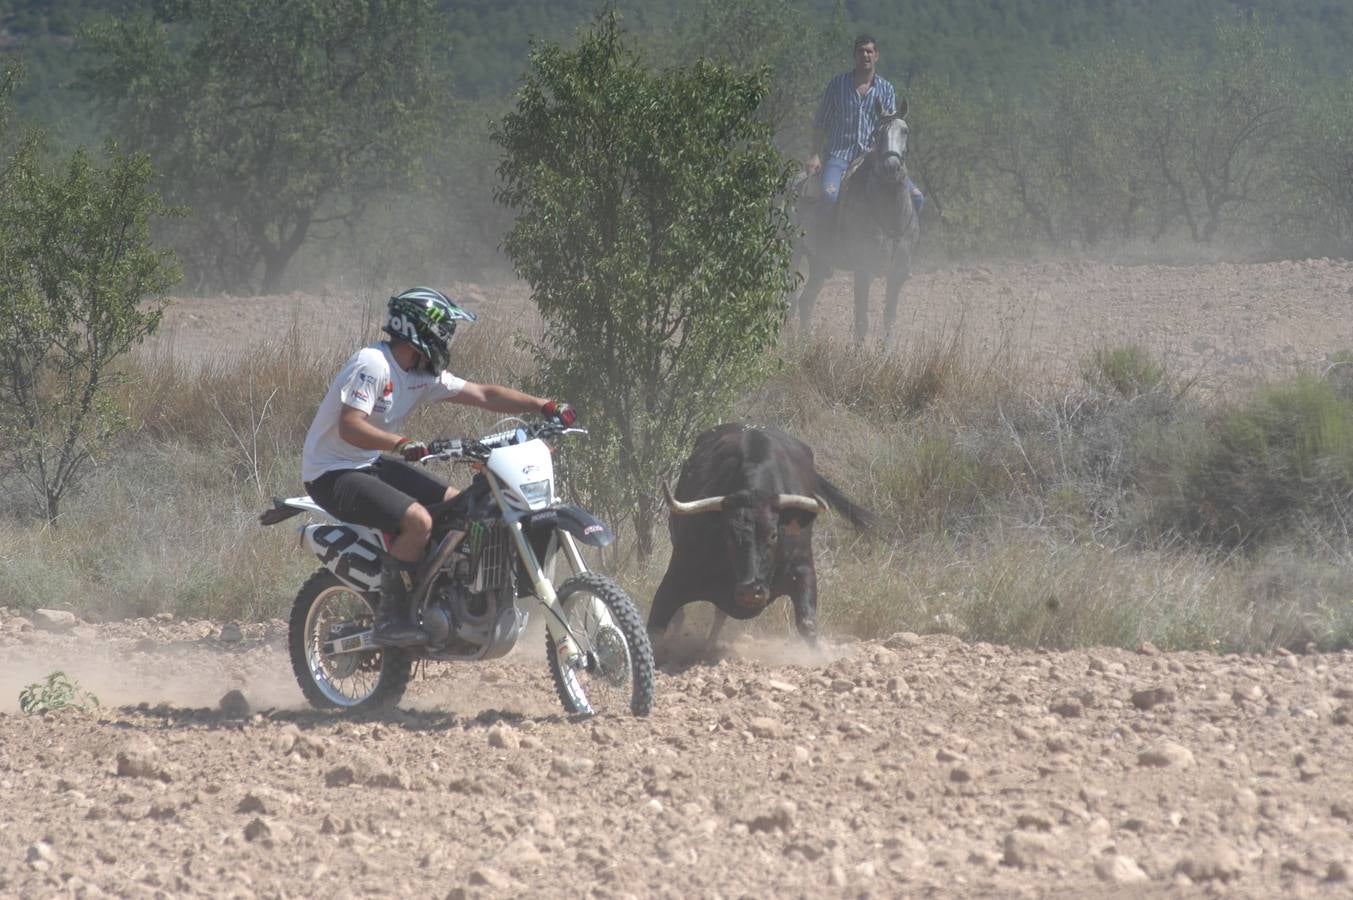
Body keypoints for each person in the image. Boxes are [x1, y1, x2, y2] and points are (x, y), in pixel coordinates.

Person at [301, 287, 575, 646]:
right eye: (444, 330)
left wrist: (543, 405)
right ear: (420, 329)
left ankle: (440, 595)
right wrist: (401, 443)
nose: (448, 338)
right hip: (330, 472)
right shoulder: (373, 364)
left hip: (367, 463)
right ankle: (391, 618)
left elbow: (483, 394)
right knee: (419, 521)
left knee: (463, 506)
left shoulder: (420, 374)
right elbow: (350, 426)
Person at [805, 34, 923, 249]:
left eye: (869, 51)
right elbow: (820, 121)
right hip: (839, 155)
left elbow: (890, 126)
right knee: (829, 196)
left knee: (917, 197)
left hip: (872, 157)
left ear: (876, 56)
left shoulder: (886, 89)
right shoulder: (838, 84)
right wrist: (814, 154)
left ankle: (900, 253)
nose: (865, 55)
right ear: (854, 55)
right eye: (861, 51)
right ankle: (822, 249)